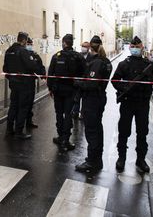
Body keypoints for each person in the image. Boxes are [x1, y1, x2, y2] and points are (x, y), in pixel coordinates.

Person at [111, 36, 153, 173]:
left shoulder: (149, 64)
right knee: (124, 131)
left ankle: (141, 160)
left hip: (142, 103)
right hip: (127, 102)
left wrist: (149, 77)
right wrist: (125, 87)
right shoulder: (124, 64)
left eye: (137, 47)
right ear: (130, 48)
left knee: (142, 132)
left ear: (142, 48)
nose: (135, 49)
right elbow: (115, 80)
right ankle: (121, 158)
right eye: (133, 47)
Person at [75, 35, 112, 173]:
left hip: (92, 100)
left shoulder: (97, 63)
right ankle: (97, 160)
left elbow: (91, 84)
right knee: (97, 129)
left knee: (91, 131)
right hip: (99, 98)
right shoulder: (106, 61)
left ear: (91, 47)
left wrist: (78, 82)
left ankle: (92, 162)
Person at [47, 34, 84, 152]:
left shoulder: (56, 56)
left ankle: (60, 136)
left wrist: (50, 88)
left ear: (63, 43)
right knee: (68, 114)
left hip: (58, 90)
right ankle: (65, 140)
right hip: (71, 90)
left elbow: (50, 74)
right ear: (72, 43)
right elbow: (84, 73)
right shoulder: (78, 57)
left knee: (59, 113)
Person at [3, 32, 39, 139]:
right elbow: (32, 66)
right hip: (24, 84)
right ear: (23, 40)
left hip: (13, 84)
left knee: (13, 106)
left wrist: (12, 78)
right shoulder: (23, 51)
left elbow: (5, 69)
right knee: (22, 107)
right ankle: (19, 131)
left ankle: (9, 129)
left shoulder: (9, 51)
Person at [25, 37, 46, 129]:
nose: (30, 45)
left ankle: (29, 121)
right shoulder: (22, 54)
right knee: (22, 104)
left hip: (31, 83)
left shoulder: (35, 55)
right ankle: (19, 124)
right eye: (28, 44)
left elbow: (40, 66)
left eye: (31, 44)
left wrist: (43, 75)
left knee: (30, 103)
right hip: (23, 83)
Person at [72, 41, 91, 119]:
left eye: (85, 46)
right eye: (82, 46)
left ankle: (83, 113)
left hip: (86, 81)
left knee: (85, 99)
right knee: (76, 98)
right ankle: (75, 113)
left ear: (88, 48)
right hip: (78, 80)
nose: (83, 48)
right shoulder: (78, 55)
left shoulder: (91, 57)